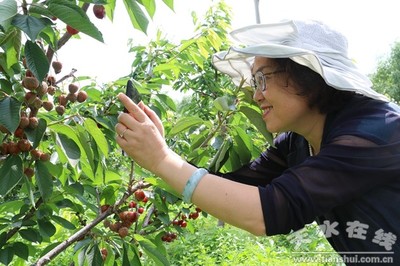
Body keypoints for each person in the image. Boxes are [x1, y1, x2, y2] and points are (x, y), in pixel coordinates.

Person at [116, 20, 399, 264]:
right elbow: (233, 189)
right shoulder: (298, 143)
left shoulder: (375, 132)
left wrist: (163, 159)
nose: (256, 95)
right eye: (254, 82)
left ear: (306, 75)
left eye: (262, 79)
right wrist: (161, 151)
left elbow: (266, 212)